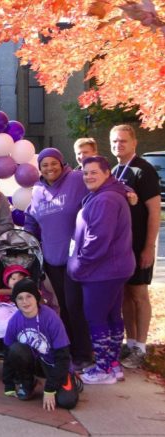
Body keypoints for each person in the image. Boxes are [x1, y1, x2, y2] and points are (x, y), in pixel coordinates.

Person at [68, 156, 135, 384]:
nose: (88, 176)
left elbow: (97, 240)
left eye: (94, 172)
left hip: (102, 271)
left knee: (96, 318)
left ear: (107, 173)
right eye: (85, 173)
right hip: (115, 269)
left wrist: (79, 264)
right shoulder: (109, 194)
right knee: (112, 316)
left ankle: (104, 369)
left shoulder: (105, 200)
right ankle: (113, 365)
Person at [24, 148, 93, 368]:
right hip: (51, 259)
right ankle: (69, 350)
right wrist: (26, 239)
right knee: (61, 307)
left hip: (76, 257)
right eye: (44, 165)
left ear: (62, 164)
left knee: (75, 306)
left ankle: (84, 352)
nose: (49, 168)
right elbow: (31, 219)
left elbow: (104, 184)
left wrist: (127, 190)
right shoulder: (38, 190)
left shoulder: (77, 179)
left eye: (54, 163)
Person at [110, 125, 160, 369]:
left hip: (139, 245)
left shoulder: (144, 170)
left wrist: (149, 247)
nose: (118, 145)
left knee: (139, 294)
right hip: (120, 248)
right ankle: (130, 344)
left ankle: (141, 345)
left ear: (134, 143)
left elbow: (153, 212)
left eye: (122, 141)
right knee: (126, 297)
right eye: (114, 142)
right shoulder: (114, 171)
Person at [2, 278, 80, 411]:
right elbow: (7, 353)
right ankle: (28, 383)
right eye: (20, 298)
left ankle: (71, 379)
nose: (25, 302)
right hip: (33, 362)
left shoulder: (51, 318)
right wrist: (8, 384)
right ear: (15, 301)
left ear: (36, 297)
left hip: (54, 364)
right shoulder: (14, 321)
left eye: (28, 296)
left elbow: (63, 357)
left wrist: (50, 389)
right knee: (15, 349)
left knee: (67, 402)